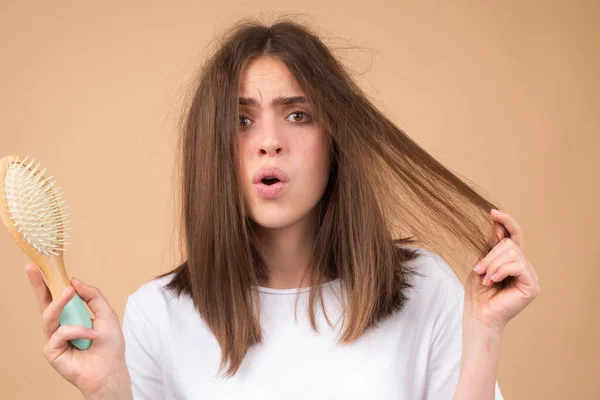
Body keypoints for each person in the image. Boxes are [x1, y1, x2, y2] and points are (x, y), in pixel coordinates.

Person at [25, 17, 540, 400]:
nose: (269, 142)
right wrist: (109, 387)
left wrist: (484, 332)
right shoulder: (157, 315)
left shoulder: (424, 289)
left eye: (298, 114)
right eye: (242, 120)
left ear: (335, 137)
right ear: (212, 147)